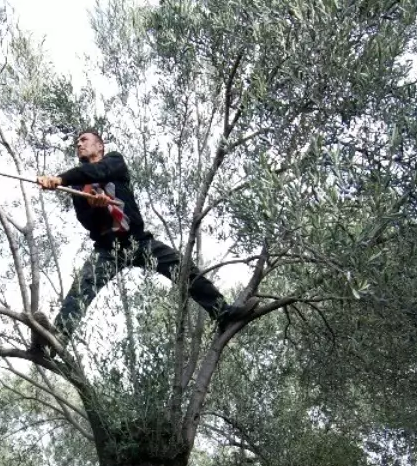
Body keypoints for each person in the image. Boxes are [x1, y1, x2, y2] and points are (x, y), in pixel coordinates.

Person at [34, 128, 256, 350]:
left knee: (183, 268)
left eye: (84, 140)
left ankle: (222, 314)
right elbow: (87, 222)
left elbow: (98, 172)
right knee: (84, 285)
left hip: (139, 242)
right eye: (77, 143)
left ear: (100, 146)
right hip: (107, 249)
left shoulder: (114, 161)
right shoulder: (77, 187)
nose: (79, 145)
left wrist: (59, 178)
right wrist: (96, 207)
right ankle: (56, 340)